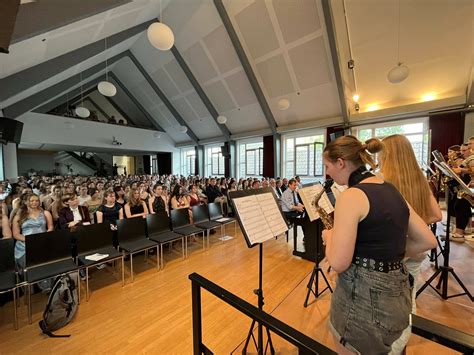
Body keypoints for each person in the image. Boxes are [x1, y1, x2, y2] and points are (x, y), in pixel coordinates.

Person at [321, 135, 437, 354]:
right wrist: (390, 255)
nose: (327, 172)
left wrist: (329, 236)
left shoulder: (351, 196)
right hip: (397, 299)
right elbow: (427, 240)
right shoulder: (391, 188)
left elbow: (338, 263)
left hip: (362, 304)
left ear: (340, 163)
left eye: (327, 165)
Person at [379, 134, 442, 353]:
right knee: (409, 296)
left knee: (389, 305)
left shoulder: (383, 180)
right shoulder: (419, 178)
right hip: (417, 251)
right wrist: (416, 226)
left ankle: (393, 346)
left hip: (395, 251)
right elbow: (436, 215)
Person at [12, 194, 54, 279]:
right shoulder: (19, 216)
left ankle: (48, 286)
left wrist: (44, 237)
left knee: (46, 265)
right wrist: (31, 241)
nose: (35, 202)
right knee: (30, 268)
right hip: (25, 246)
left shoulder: (45, 213)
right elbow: (16, 234)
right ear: (26, 202)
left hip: (42, 242)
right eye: (32, 201)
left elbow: (51, 227)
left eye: (37, 200)